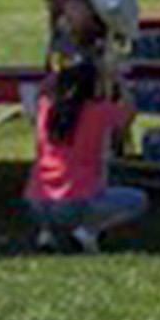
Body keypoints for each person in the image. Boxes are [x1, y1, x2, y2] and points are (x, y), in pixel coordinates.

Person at [24, 58, 146, 253]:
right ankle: (87, 232)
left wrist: (58, 75)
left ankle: (46, 234)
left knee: (55, 201)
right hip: (74, 200)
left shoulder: (46, 109)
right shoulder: (98, 111)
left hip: (37, 200)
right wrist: (118, 80)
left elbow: (40, 92)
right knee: (137, 200)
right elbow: (130, 111)